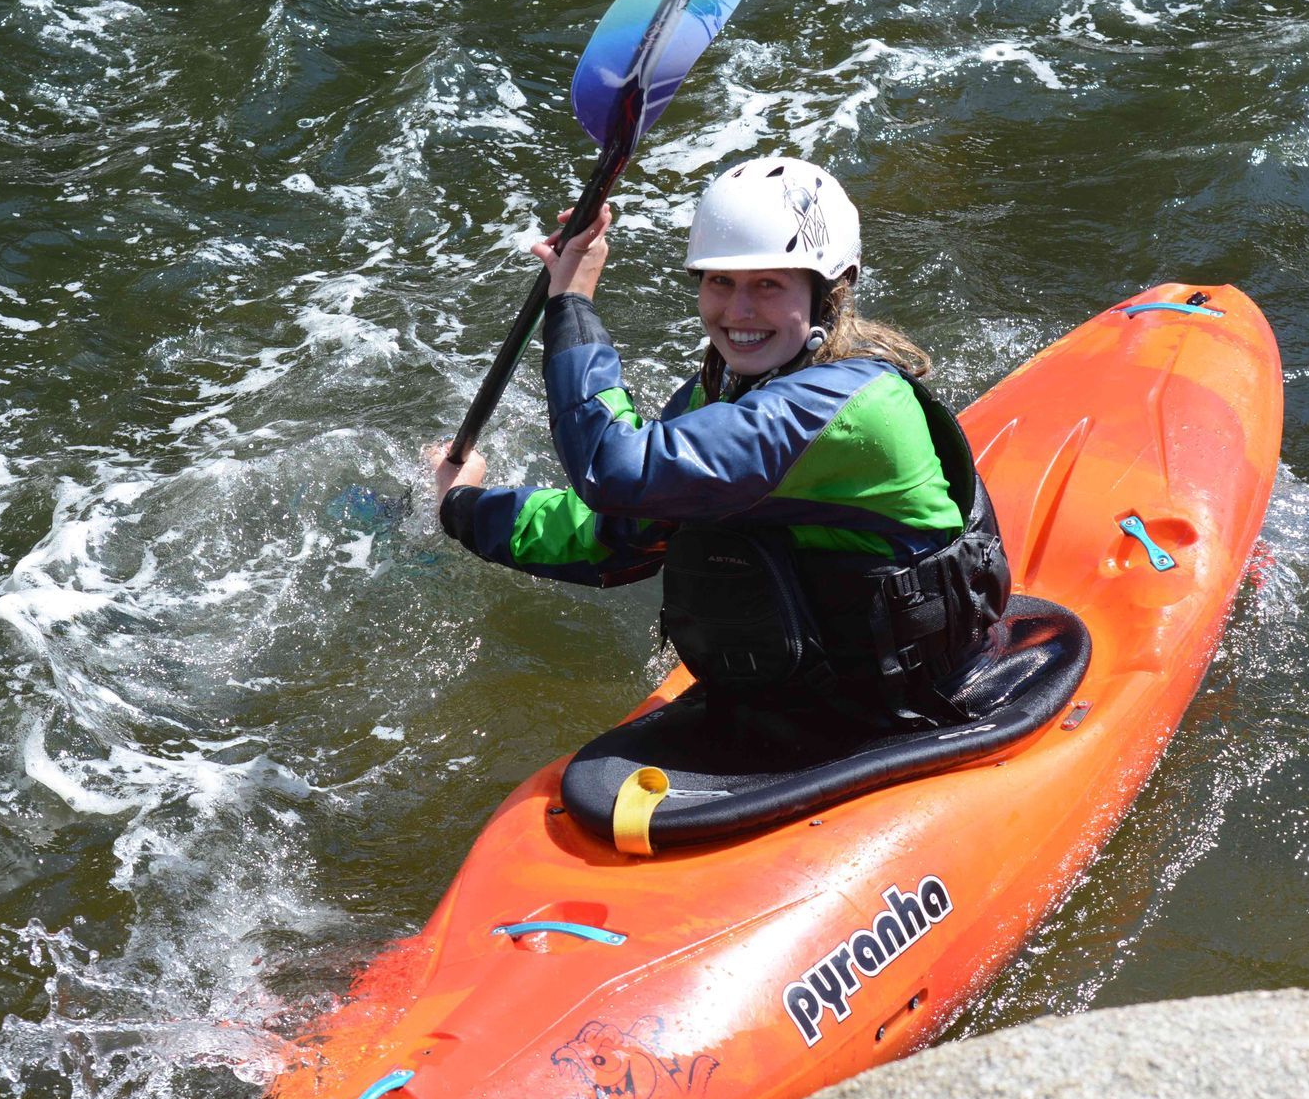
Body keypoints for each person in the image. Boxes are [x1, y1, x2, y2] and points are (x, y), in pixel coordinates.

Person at [428, 157, 1009, 734]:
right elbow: (617, 529)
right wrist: (465, 507)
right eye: (720, 282)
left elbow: (613, 468)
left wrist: (572, 307)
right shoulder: (724, 395)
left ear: (828, 294)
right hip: (802, 691)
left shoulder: (840, 411)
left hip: (914, 702)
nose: (737, 311)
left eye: (768, 286)